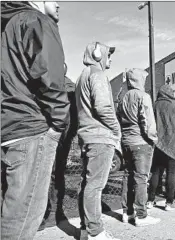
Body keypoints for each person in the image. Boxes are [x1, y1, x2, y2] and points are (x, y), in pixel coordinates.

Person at [1, 2, 69, 239]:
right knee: (23, 219)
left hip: (10, 127)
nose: (59, 3)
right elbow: (50, 76)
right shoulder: (35, 20)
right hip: (32, 127)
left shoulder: (7, 24)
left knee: (11, 210)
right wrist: (58, 123)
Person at [76, 42, 121, 240]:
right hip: (100, 137)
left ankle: (86, 229)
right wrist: (116, 128)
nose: (110, 59)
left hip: (87, 136)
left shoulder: (82, 76)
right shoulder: (98, 74)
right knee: (95, 186)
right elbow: (103, 107)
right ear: (97, 55)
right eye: (108, 55)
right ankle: (95, 232)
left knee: (87, 184)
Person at [118, 68, 160, 227]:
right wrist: (153, 139)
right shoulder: (143, 96)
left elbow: (118, 118)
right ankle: (141, 215)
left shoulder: (123, 98)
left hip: (127, 141)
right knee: (141, 178)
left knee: (128, 176)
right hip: (141, 142)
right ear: (139, 80)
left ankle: (126, 212)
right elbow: (147, 121)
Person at [39, 63, 77, 230]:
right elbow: (76, 117)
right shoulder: (71, 87)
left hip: (50, 135)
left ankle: (46, 213)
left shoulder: (49, 85)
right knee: (57, 174)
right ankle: (55, 212)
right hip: (63, 137)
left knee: (44, 175)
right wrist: (69, 137)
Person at [147, 85, 175, 211]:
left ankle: (150, 201)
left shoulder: (155, 105)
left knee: (155, 173)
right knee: (171, 173)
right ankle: (169, 202)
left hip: (158, 145)